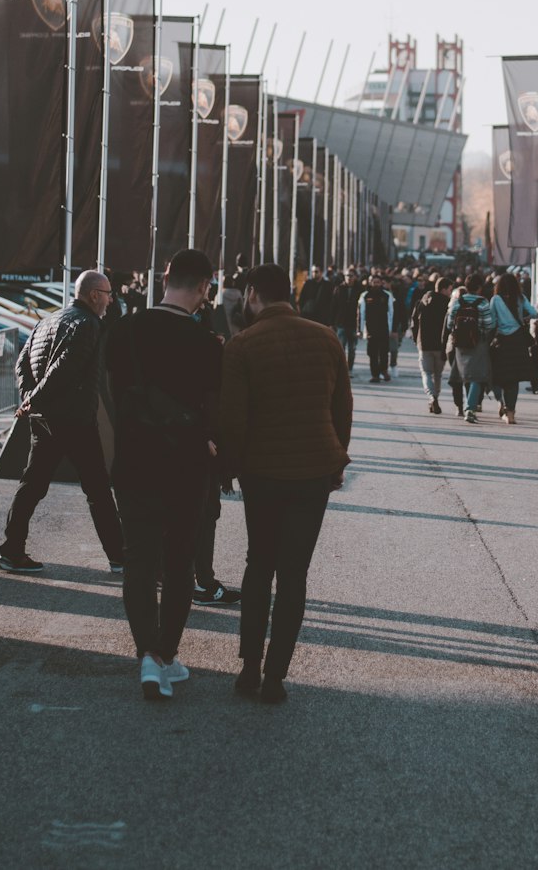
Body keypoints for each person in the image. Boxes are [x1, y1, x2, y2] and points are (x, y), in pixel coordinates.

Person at [221, 263, 352, 704]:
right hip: (313, 471)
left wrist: (230, 467)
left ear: (254, 293)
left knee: (259, 564)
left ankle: (249, 667)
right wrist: (336, 460)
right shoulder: (326, 337)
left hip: (262, 472)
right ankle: (277, 675)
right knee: (295, 574)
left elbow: (234, 419)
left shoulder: (244, 345)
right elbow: (342, 409)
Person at [105, 249, 223, 700]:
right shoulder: (205, 343)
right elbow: (214, 410)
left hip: (134, 460)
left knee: (138, 560)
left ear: (164, 279)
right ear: (204, 287)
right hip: (186, 464)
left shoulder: (126, 329)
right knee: (178, 562)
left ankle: (146, 655)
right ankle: (166, 655)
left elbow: (114, 394)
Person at [0, 271, 124, 574]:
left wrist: (30, 396)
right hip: (75, 418)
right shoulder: (89, 323)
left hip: (47, 418)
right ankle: (120, 557)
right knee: (97, 489)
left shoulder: (47, 321)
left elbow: (22, 360)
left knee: (32, 485)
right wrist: (34, 399)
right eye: (108, 293)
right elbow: (64, 366)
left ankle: (11, 551)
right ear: (94, 294)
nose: (110, 299)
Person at [487, 273, 537, 424]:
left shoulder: (495, 299)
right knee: (513, 379)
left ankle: (501, 403)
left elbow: (491, 320)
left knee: (499, 376)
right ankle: (511, 412)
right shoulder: (520, 297)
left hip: (502, 341)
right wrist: (523, 319)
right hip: (518, 342)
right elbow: (534, 312)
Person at [445, 272, 493, 424]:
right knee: (477, 376)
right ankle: (470, 408)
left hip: (460, 343)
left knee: (465, 374)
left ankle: (467, 405)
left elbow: (449, 324)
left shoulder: (458, 302)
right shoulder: (483, 303)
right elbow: (489, 324)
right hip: (478, 343)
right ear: (479, 288)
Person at [411, 276, 451, 413]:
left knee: (426, 373)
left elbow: (414, 322)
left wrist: (416, 339)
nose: (451, 292)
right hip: (440, 345)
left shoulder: (422, 301)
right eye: (450, 289)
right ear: (443, 289)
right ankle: (435, 397)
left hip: (424, 344)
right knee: (438, 375)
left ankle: (431, 397)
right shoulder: (448, 303)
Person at [358, 272, 394, 383]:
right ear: (370, 282)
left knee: (384, 351)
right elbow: (361, 314)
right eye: (374, 282)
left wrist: (391, 328)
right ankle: (375, 375)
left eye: (378, 282)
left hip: (383, 327)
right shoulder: (365, 295)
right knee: (372, 353)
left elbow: (391, 313)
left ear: (381, 283)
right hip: (371, 328)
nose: (376, 284)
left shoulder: (387, 295)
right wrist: (360, 329)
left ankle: (384, 370)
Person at [331, 268, 363, 374]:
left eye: (351, 275)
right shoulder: (339, 289)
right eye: (347, 276)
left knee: (352, 348)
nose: (349, 278)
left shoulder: (359, 289)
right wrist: (332, 322)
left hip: (354, 323)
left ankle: (350, 368)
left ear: (355, 277)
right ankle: (342, 369)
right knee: (341, 347)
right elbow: (333, 306)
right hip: (341, 322)